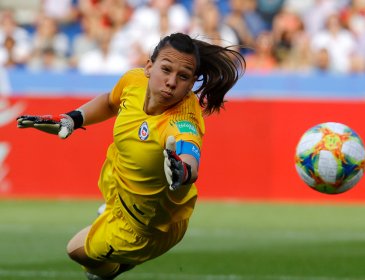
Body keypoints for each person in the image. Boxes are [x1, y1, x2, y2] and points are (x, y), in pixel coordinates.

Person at [16, 32, 246, 280]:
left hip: (146, 227)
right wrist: (72, 119)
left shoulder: (182, 120)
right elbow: (109, 102)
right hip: (120, 191)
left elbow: (190, 155)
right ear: (149, 67)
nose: (171, 82)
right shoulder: (134, 81)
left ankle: (116, 267)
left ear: (191, 85)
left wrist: (183, 170)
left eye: (183, 77)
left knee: (77, 252)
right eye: (166, 70)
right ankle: (112, 236)